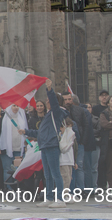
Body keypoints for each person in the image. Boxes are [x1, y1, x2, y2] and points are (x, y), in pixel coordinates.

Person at [19, 79, 68, 208]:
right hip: (45, 146)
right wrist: (26, 131)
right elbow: (40, 132)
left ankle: (60, 199)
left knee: (55, 172)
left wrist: (49, 90)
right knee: (47, 174)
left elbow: (54, 103)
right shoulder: (48, 115)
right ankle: (49, 198)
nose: (47, 102)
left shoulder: (57, 113)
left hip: (52, 145)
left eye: (48, 101)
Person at [0, 104, 28, 184]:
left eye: (17, 106)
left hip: (20, 149)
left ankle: (19, 188)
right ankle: (9, 189)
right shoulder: (4, 119)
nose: (16, 108)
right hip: (7, 150)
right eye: (14, 106)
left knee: (19, 170)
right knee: (7, 169)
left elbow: (26, 132)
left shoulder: (22, 118)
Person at [62, 91, 87, 191]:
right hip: (65, 143)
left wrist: (82, 140)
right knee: (67, 167)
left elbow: (85, 125)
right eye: (65, 99)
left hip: (77, 142)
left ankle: (80, 190)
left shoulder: (79, 110)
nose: (68, 101)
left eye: (69, 99)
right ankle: (69, 190)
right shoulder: (60, 111)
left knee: (78, 166)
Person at [59, 117, 78, 194]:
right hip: (63, 161)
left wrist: (74, 161)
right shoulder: (59, 136)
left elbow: (75, 149)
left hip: (70, 160)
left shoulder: (71, 136)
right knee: (64, 178)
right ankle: (62, 195)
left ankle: (66, 194)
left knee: (69, 178)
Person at [85, 103, 101, 189]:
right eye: (86, 107)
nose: (88, 109)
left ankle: (94, 185)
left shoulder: (96, 118)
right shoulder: (82, 118)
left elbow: (99, 130)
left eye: (90, 107)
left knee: (94, 167)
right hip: (85, 144)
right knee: (85, 167)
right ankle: (87, 186)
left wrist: (89, 131)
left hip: (95, 143)